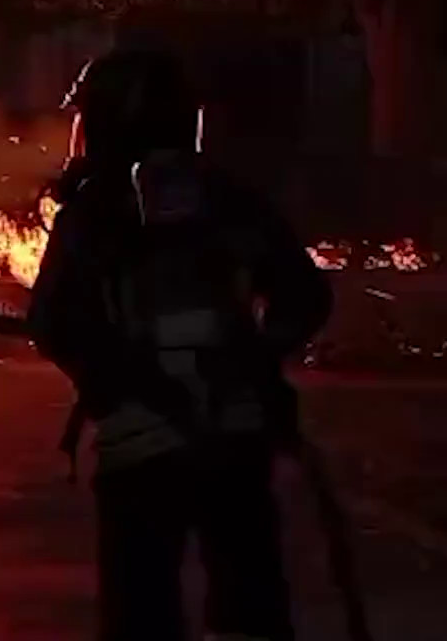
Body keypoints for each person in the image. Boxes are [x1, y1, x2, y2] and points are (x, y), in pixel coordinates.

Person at [26, 46, 332, 641]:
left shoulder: (92, 215)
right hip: (235, 443)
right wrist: (256, 364)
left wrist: (114, 381)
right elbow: (305, 297)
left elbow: (52, 320)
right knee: (251, 609)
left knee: (142, 613)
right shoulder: (230, 201)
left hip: (140, 451)